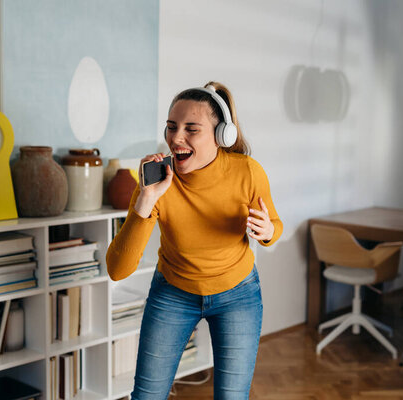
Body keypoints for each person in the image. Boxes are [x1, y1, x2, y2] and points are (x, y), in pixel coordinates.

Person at [106, 81, 283, 399]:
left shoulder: (248, 172)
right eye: (171, 127)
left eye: (191, 129)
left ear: (221, 136)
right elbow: (118, 270)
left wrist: (268, 232)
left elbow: (274, 223)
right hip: (173, 292)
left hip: (238, 295)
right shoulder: (156, 181)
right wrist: (145, 201)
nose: (176, 138)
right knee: (146, 395)